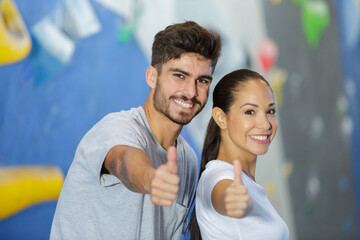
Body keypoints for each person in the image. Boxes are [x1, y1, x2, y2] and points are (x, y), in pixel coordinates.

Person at [50, 21, 222, 240]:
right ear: (152, 77)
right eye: (179, 75)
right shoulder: (116, 128)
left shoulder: (187, 160)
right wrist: (151, 179)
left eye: (202, 81)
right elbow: (125, 161)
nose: (191, 92)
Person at [191, 69, 289, 240]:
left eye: (270, 111)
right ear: (221, 118)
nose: (265, 124)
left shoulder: (246, 181)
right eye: (250, 112)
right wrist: (230, 199)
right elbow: (222, 194)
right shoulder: (218, 177)